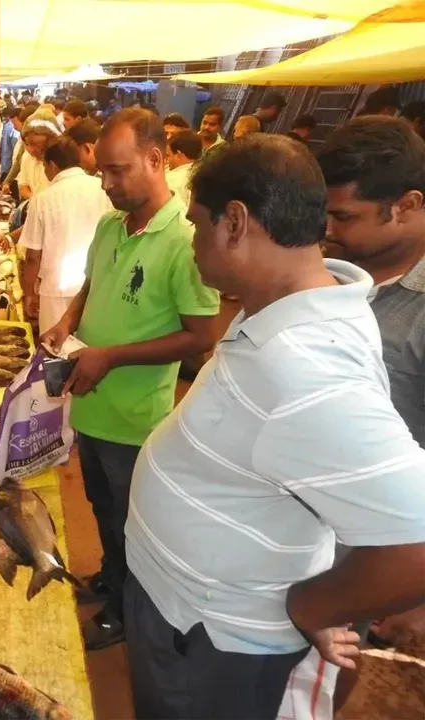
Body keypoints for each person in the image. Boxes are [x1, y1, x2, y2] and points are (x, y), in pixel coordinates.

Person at [123, 131, 425, 719]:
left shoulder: (305, 366)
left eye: (196, 224)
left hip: (215, 640)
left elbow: (417, 542)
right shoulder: (284, 308)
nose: (191, 244)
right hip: (189, 612)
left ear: (234, 223)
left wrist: (313, 608)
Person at [40, 108, 219, 651]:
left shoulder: (185, 239)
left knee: (129, 522)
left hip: (136, 419)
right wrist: (67, 321)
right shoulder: (110, 225)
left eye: (119, 171)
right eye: (104, 173)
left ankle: (124, 611)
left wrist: (111, 357)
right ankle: (111, 580)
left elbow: (202, 335)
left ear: (156, 159)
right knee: (100, 505)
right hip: (90, 406)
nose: (108, 183)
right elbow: (93, 284)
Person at [317, 116, 425, 697]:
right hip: (304, 545)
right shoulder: (329, 279)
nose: (327, 230)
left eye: (344, 217)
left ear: (406, 205)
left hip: (374, 567)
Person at [20, 136, 112, 334]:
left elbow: (32, 256)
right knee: (88, 348)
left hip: (56, 290)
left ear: (52, 166)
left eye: (44, 166)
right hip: (96, 286)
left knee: (56, 353)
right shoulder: (103, 189)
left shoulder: (43, 199)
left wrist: (29, 294)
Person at [18, 105, 61, 201]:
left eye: (34, 144)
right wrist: (36, 200)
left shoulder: (62, 161)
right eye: (27, 144)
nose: (31, 150)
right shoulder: (27, 157)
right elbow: (23, 186)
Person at [165, 129, 202, 206]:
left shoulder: (171, 181)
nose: (167, 160)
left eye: (168, 155)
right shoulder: (204, 175)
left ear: (178, 154)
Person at [0, 105, 22, 179]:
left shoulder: (9, 127)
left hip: (10, 166)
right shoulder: (10, 127)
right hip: (10, 165)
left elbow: (10, 147)